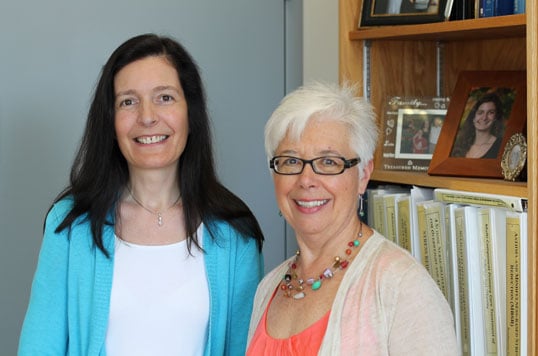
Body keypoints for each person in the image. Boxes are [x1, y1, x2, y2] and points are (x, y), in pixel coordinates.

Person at [19, 33, 264, 355]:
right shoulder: (71, 225)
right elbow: (39, 348)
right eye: (128, 101)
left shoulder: (236, 233)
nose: (147, 117)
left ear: (191, 115)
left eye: (164, 97)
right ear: (111, 122)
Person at [246, 82, 459, 355]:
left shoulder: (402, 287)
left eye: (329, 162)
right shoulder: (269, 288)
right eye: (290, 161)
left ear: (363, 175)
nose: (306, 180)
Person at [451, 92, 504, 159]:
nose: (484, 117)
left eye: (490, 112)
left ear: (495, 118)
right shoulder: (460, 145)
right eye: (480, 112)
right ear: (473, 117)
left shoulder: (501, 146)